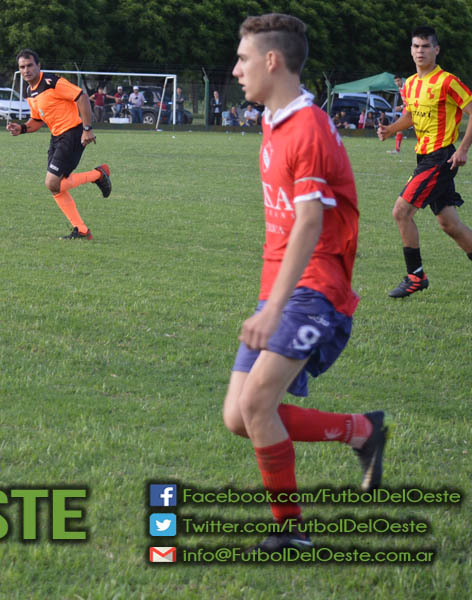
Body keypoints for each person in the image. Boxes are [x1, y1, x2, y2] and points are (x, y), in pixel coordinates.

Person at [225, 13, 389, 555]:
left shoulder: (309, 128)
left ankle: (290, 530)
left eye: (244, 59)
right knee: (239, 417)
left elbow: (310, 222)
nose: (236, 69)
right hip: (280, 286)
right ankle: (361, 431)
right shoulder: (274, 121)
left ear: (272, 61)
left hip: (314, 289)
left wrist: (273, 309)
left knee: (257, 405)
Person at [377, 26, 472, 298]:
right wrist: (390, 130)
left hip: (441, 157)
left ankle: (415, 277)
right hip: (424, 156)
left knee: (401, 211)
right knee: (450, 225)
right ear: (411, 50)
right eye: (416, 46)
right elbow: (410, 116)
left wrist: (463, 149)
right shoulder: (409, 84)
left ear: (436, 50)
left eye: (426, 46)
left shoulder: (448, 81)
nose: (420, 51)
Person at [5, 49, 112, 240]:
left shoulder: (52, 82)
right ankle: (82, 230)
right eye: (22, 67)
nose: (26, 70)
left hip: (72, 134)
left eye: (30, 65)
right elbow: (37, 120)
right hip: (56, 137)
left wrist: (87, 128)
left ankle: (98, 175)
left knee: (52, 183)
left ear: (38, 65)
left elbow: (81, 97)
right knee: (55, 186)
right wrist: (21, 128)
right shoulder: (29, 91)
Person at [389, 75, 405, 153]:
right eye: (395, 81)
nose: (397, 83)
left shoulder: (407, 87)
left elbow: (411, 100)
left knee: (419, 130)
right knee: (399, 128)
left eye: (398, 80)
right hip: (406, 110)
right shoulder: (400, 88)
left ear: (401, 80)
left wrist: (401, 107)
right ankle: (397, 149)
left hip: (413, 110)